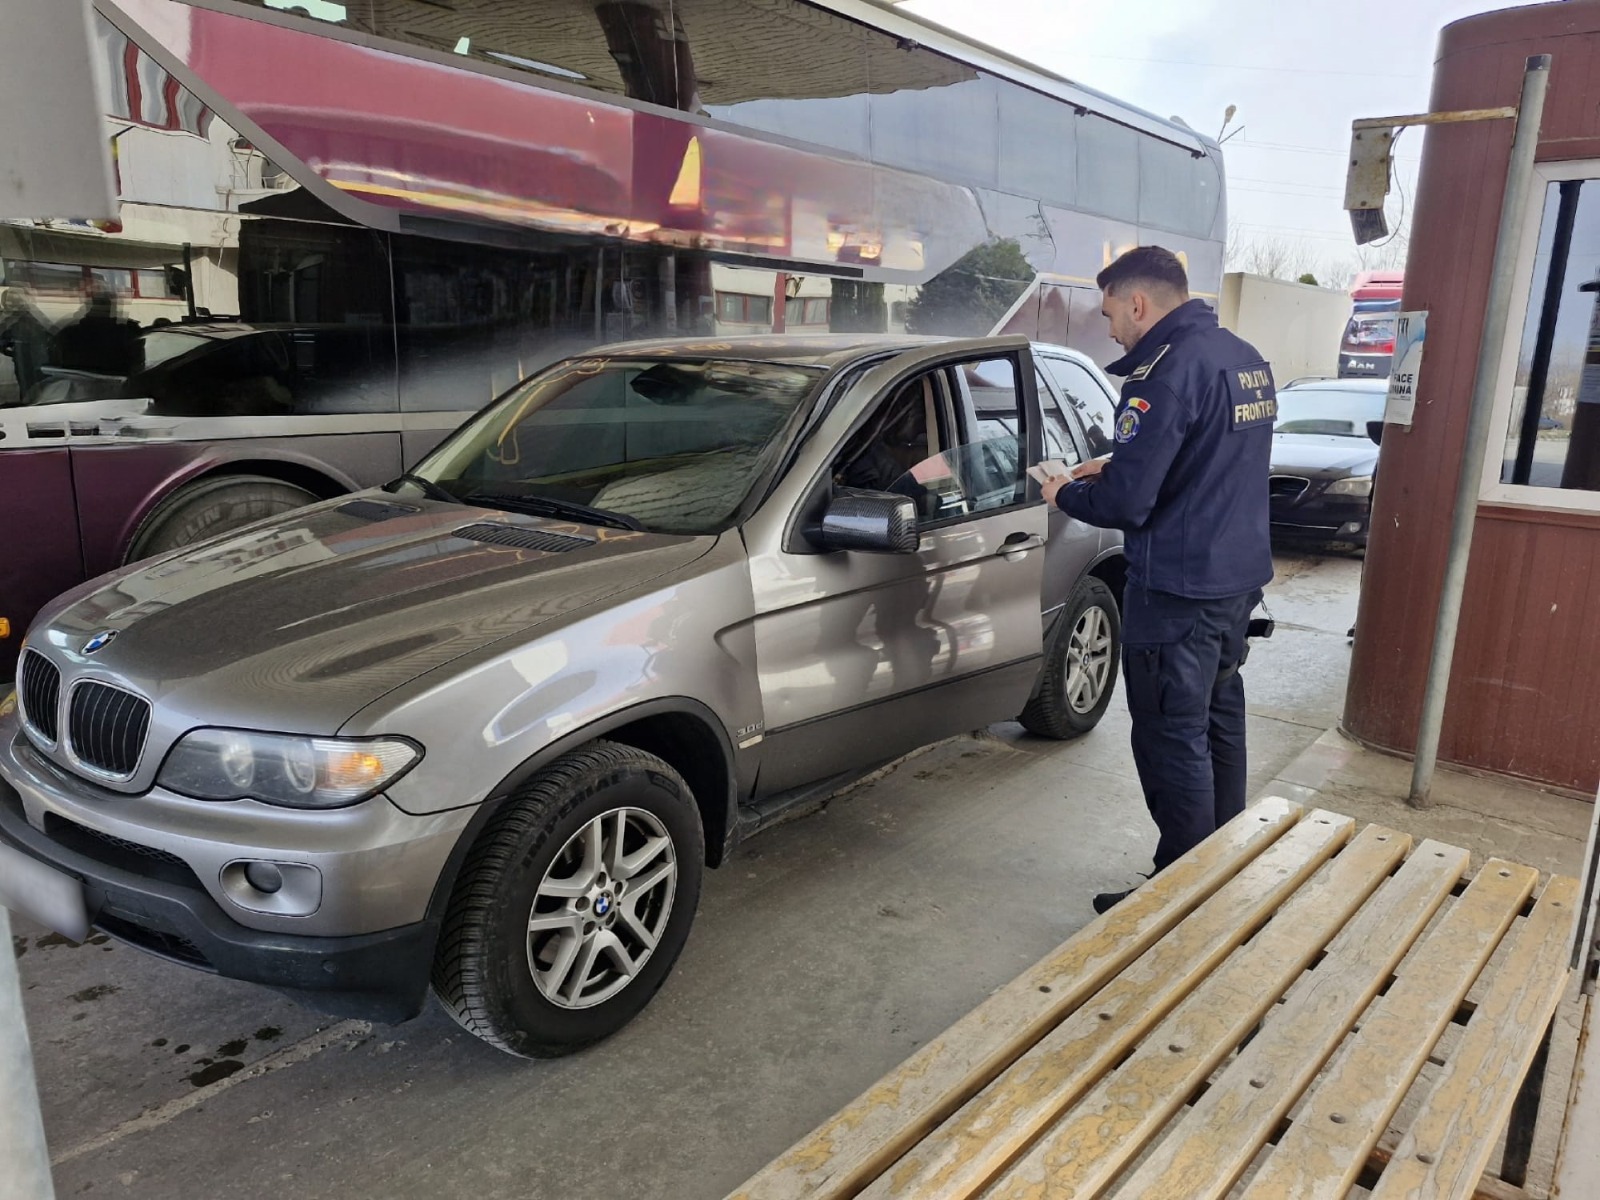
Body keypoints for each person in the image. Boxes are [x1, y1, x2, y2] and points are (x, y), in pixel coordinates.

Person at [1040, 246, 1275, 914]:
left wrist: (1064, 493)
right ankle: (1220, 866)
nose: (1110, 328)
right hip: (1234, 582)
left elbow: (1126, 506)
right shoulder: (1242, 357)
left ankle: (1179, 895)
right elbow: (1207, 455)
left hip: (1176, 591)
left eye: (1111, 312)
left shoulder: (1161, 376)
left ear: (1138, 303)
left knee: (1173, 738)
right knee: (1218, 721)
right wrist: (1120, 460)